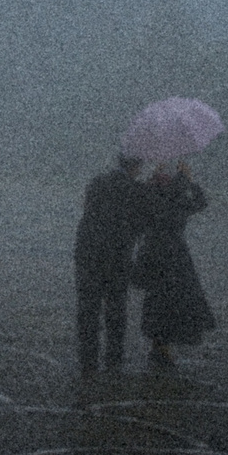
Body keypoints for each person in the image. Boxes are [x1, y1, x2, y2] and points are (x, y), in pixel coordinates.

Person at [132, 159, 215, 374]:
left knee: (161, 299)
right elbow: (199, 202)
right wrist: (188, 181)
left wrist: (185, 182)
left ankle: (160, 344)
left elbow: (199, 203)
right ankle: (161, 345)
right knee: (167, 299)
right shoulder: (173, 197)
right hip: (171, 256)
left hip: (158, 255)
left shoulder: (153, 195)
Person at [73, 153, 146, 377]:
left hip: (89, 253)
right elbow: (141, 222)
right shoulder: (135, 190)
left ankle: (88, 359)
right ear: (136, 166)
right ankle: (113, 358)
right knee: (115, 308)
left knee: (88, 309)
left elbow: (88, 210)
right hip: (117, 258)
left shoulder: (97, 182)